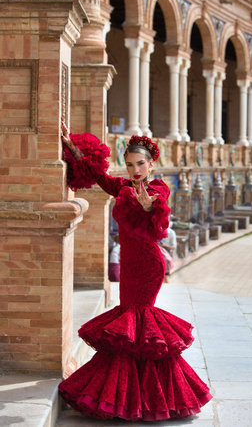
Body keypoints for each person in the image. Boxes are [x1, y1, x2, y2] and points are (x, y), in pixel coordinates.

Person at [59, 121, 212, 421]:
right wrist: (71, 147)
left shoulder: (159, 188)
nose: (135, 170)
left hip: (149, 265)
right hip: (128, 266)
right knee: (129, 329)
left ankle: (147, 398)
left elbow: (158, 220)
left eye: (140, 164)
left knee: (140, 323)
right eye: (129, 165)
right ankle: (127, 395)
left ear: (151, 163)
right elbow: (98, 177)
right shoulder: (122, 186)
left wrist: (146, 208)